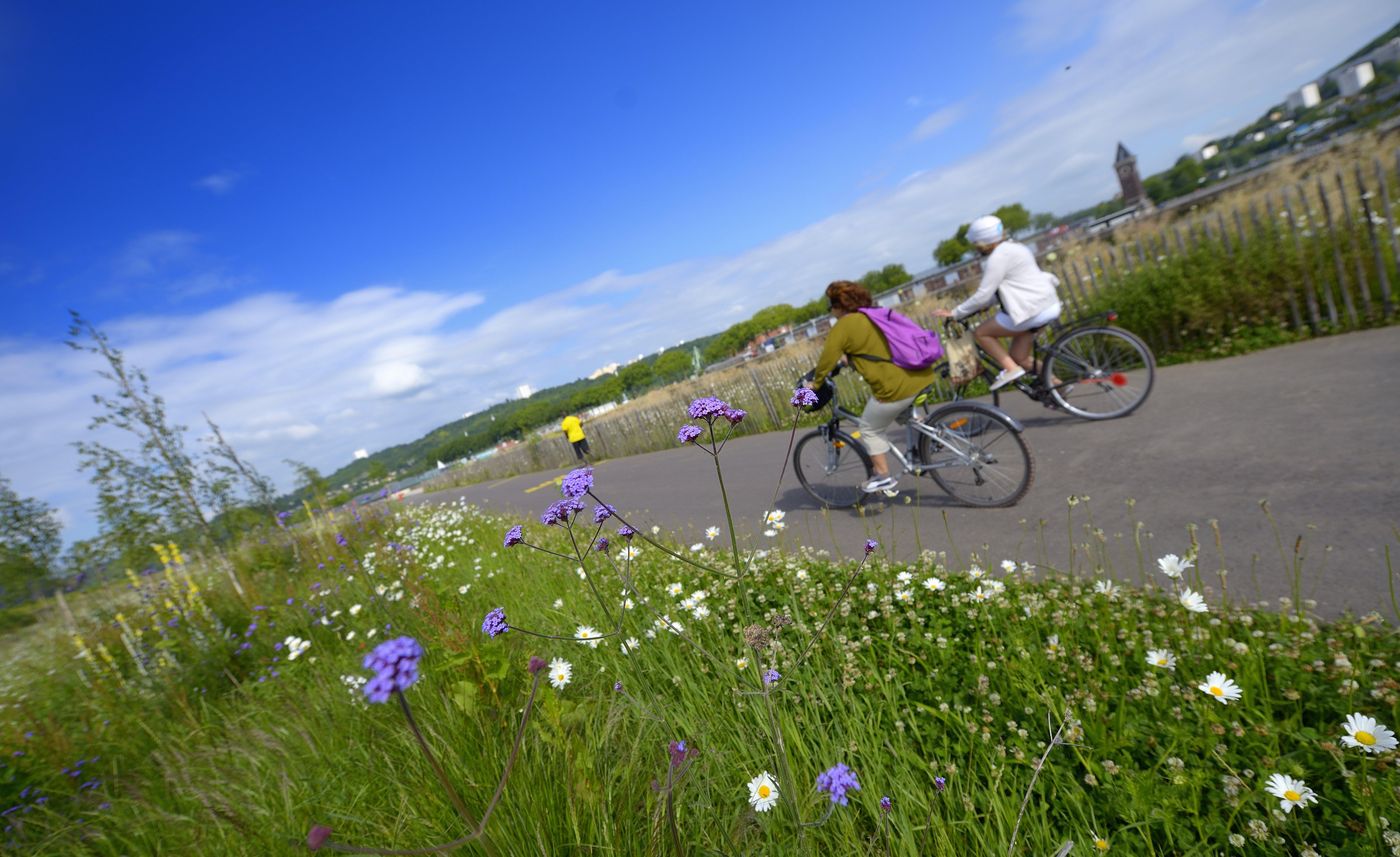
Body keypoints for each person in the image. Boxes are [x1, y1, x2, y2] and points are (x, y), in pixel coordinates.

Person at [808, 280, 935, 494]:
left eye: (831, 307)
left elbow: (826, 361)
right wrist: (850, 360)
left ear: (839, 305)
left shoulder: (844, 325)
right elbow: (874, 347)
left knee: (869, 428)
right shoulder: (874, 314)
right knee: (902, 416)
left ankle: (883, 476)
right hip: (920, 375)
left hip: (895, 388)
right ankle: (928, 440)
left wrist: (815, 383)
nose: (831, 312)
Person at [932, 214, 1061, 391]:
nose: (975, 248)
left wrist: (956, 312)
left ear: (981, 242)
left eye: (976, 244)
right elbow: (1008, 288)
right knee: (1019, 356)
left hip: (1032, 311)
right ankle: (1058, 386)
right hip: (1046, 304)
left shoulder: (998, 257)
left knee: (981, 333)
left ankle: (1011, 369)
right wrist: (981, 307)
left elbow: (984, 294)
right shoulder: (1016, 247)